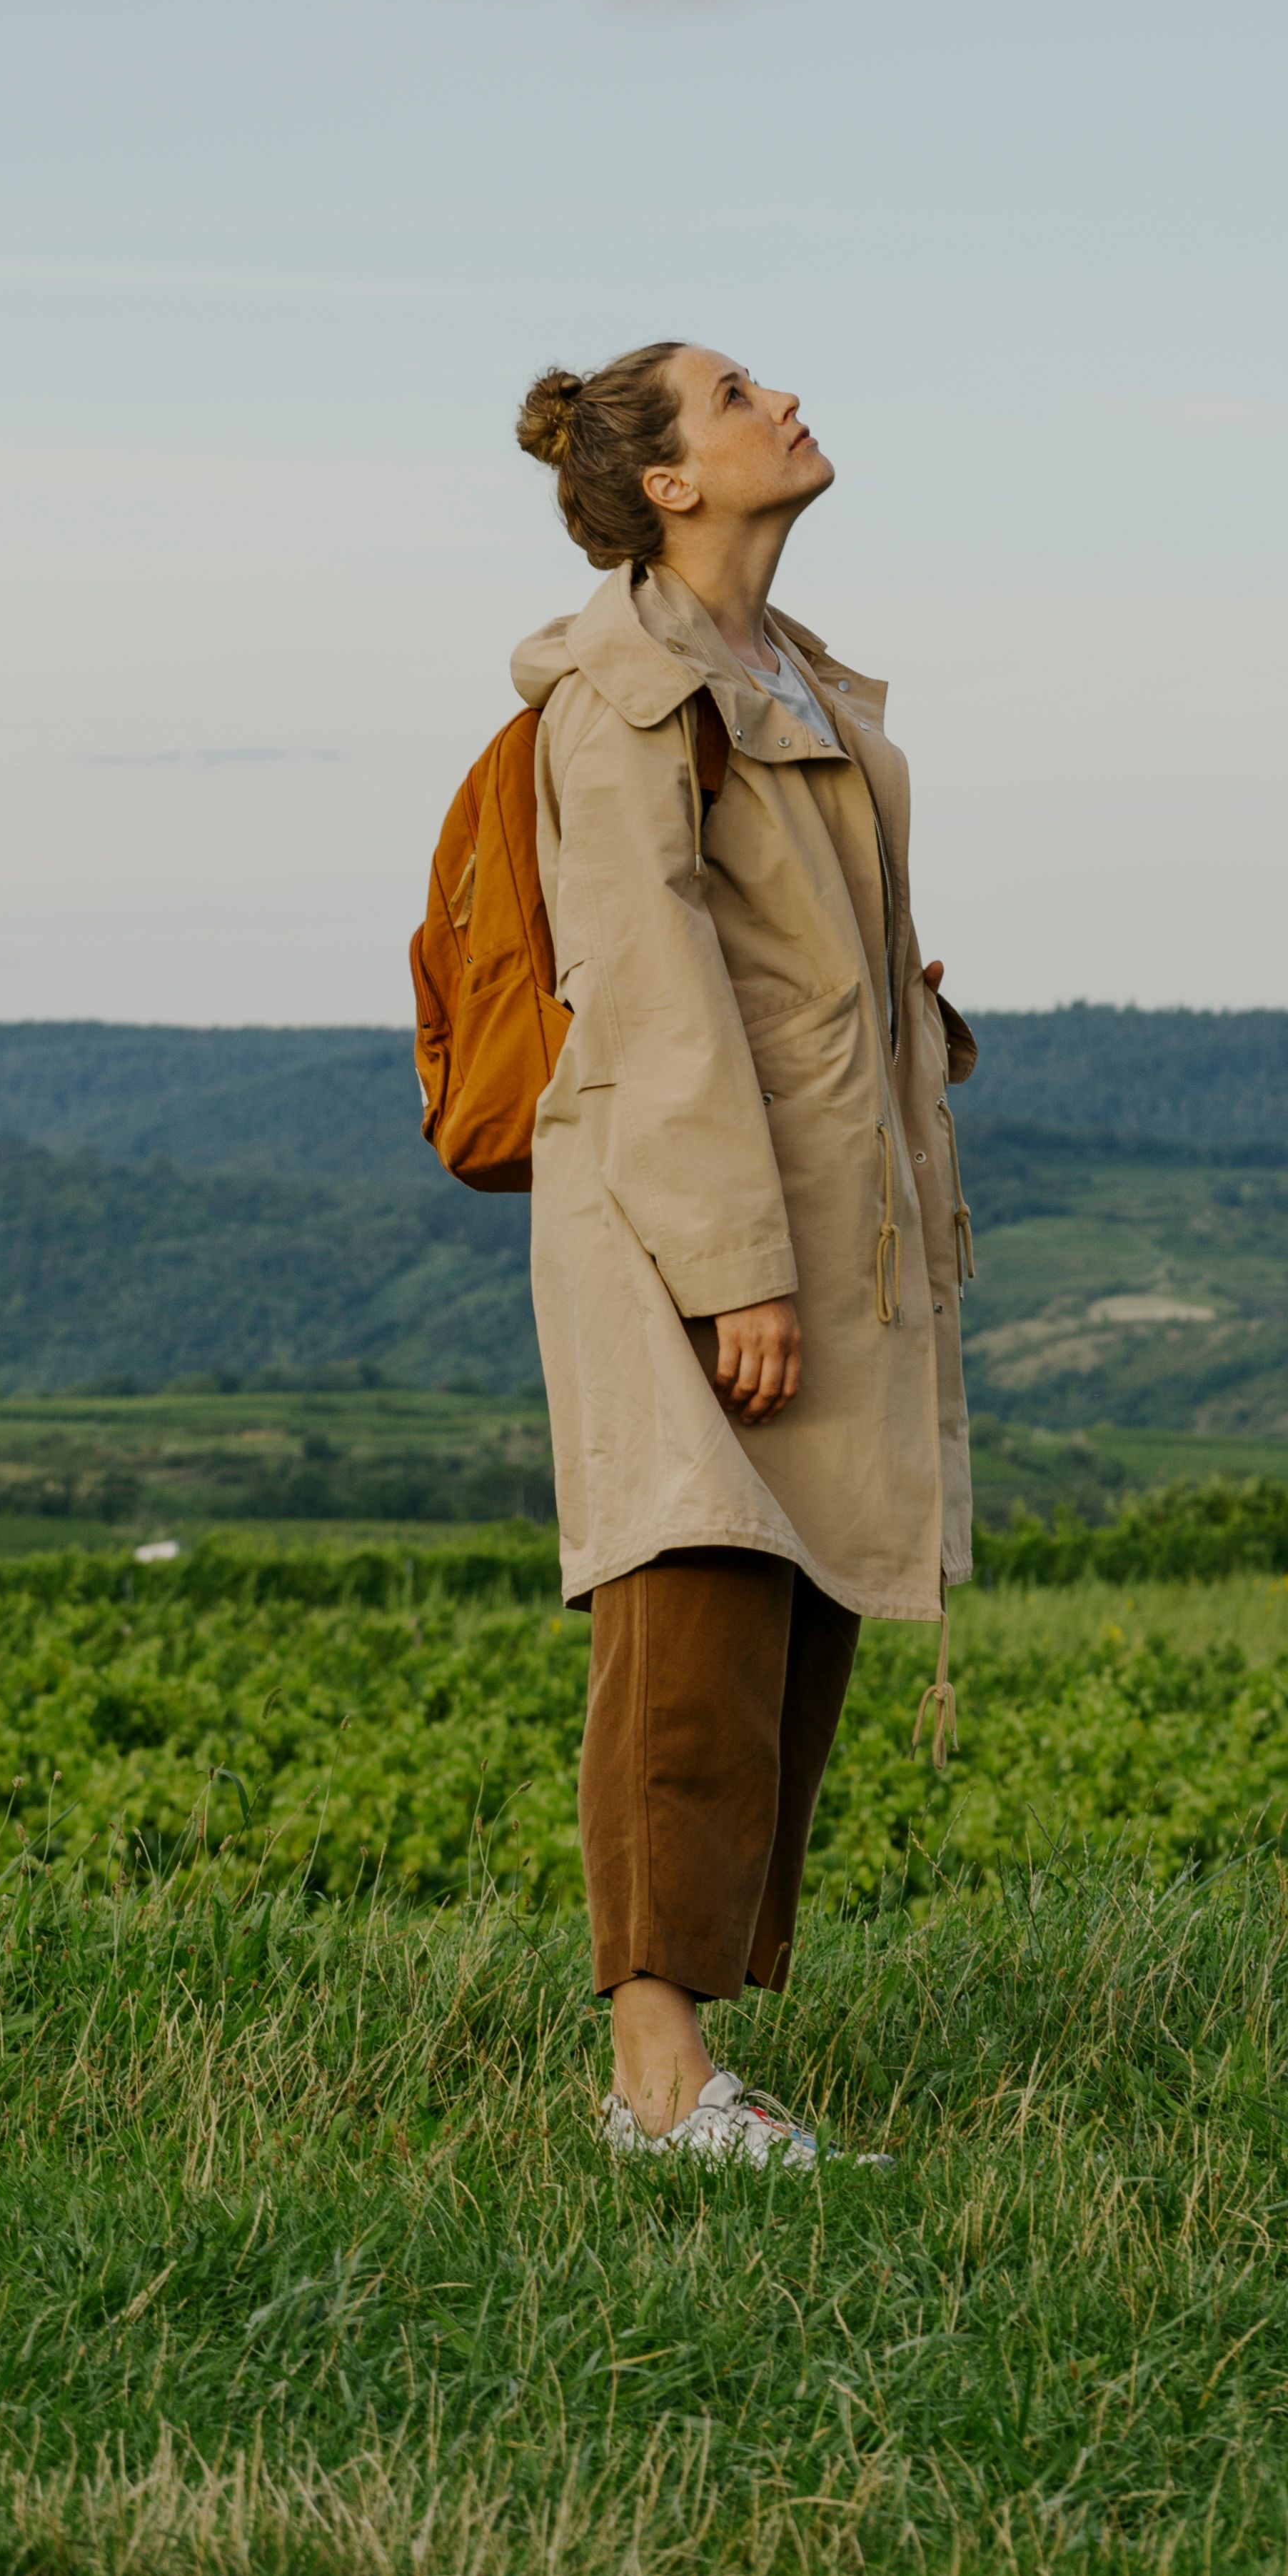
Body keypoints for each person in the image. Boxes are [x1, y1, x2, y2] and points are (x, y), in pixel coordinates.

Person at [508, 341, 972, 2165]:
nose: (783, 398)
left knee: (794, 1611)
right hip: (682, 1213)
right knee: (688, 1603)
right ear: (674, 483)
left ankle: (692, 2061)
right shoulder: (626, 689)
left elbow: (786, 963)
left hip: (813, 1198)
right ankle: (657, 2077)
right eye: (735, 394)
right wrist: (731, 1267)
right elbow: (652, 989)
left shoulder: (787, 673)